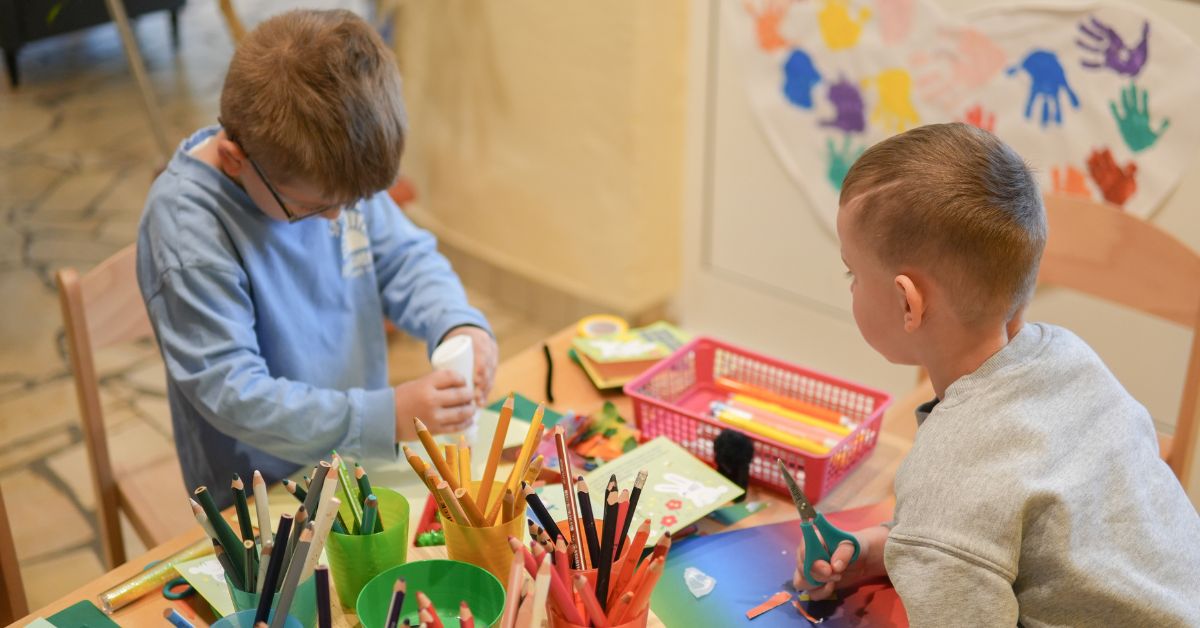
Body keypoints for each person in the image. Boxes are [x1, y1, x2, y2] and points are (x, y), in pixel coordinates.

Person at [794, 122, 1200, 625]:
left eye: (852, 273)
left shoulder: (952, 480)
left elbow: (967, 508)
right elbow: (1005, 521)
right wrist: (890, 549)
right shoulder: (1072, 358)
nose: (851, 286)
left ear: (907, 303)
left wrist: (931, 541)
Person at [136, 9, 497, 507]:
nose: (336, 220)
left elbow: (403, 257)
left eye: (349, 204)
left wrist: (456, 324)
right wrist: (383, 417)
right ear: (233, 159)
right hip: (261, 494)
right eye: (312, 209)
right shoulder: (187, 230)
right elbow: (233, 393)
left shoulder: (324, 173)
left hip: (353, 460)